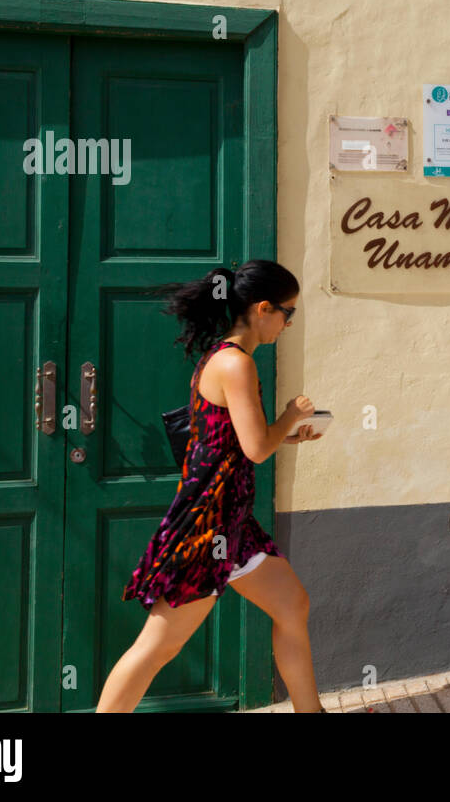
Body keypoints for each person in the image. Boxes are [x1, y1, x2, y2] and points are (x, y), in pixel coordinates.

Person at [97, 260, 326, 713]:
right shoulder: (235, 364)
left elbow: (240, 442)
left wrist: (290, 433)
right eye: (288, 313)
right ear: (263, 309)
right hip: (207, 528)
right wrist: (290, 415)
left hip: (233, 524)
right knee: (157, 647)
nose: (288, 323)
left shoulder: (223, 358)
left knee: (292, 605)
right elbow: (258, 447)